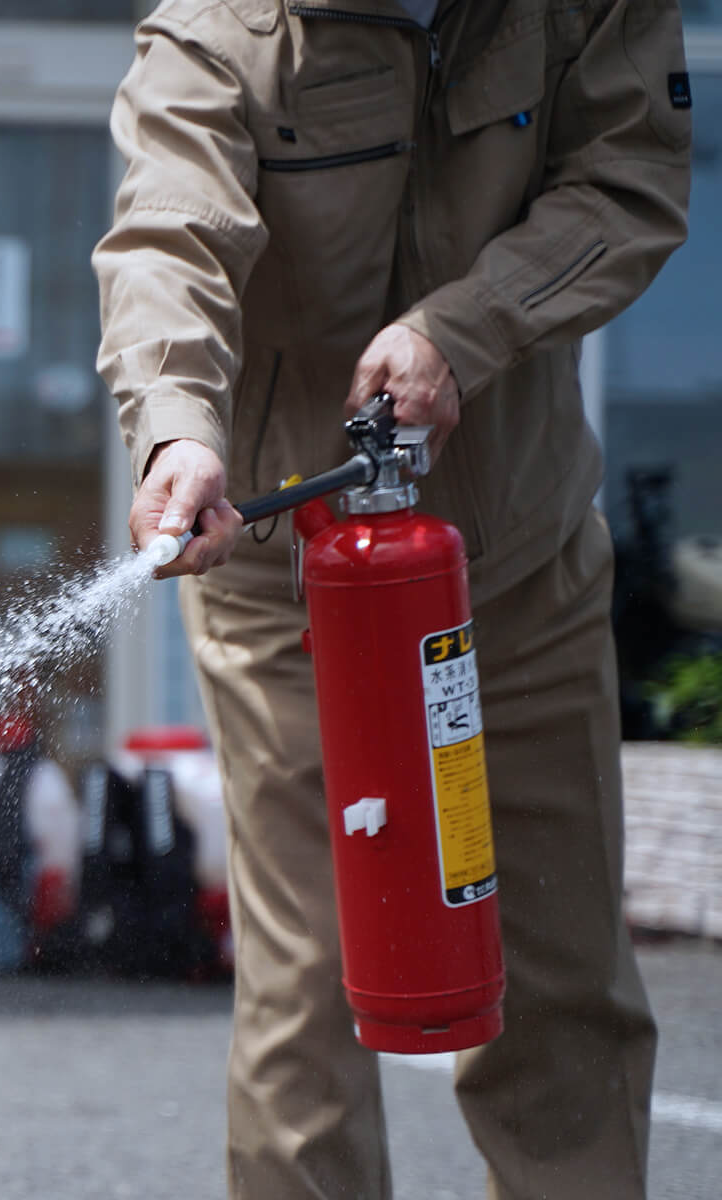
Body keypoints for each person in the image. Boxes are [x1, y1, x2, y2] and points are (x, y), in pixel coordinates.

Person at [91, 0, 691, 1197]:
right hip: (289, 594)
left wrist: (465, 328)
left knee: (558, 983)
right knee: (309, 985)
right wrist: (176, 436)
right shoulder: (221, 30)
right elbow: (170, 240)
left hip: (516, 571)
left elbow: (628, 177)